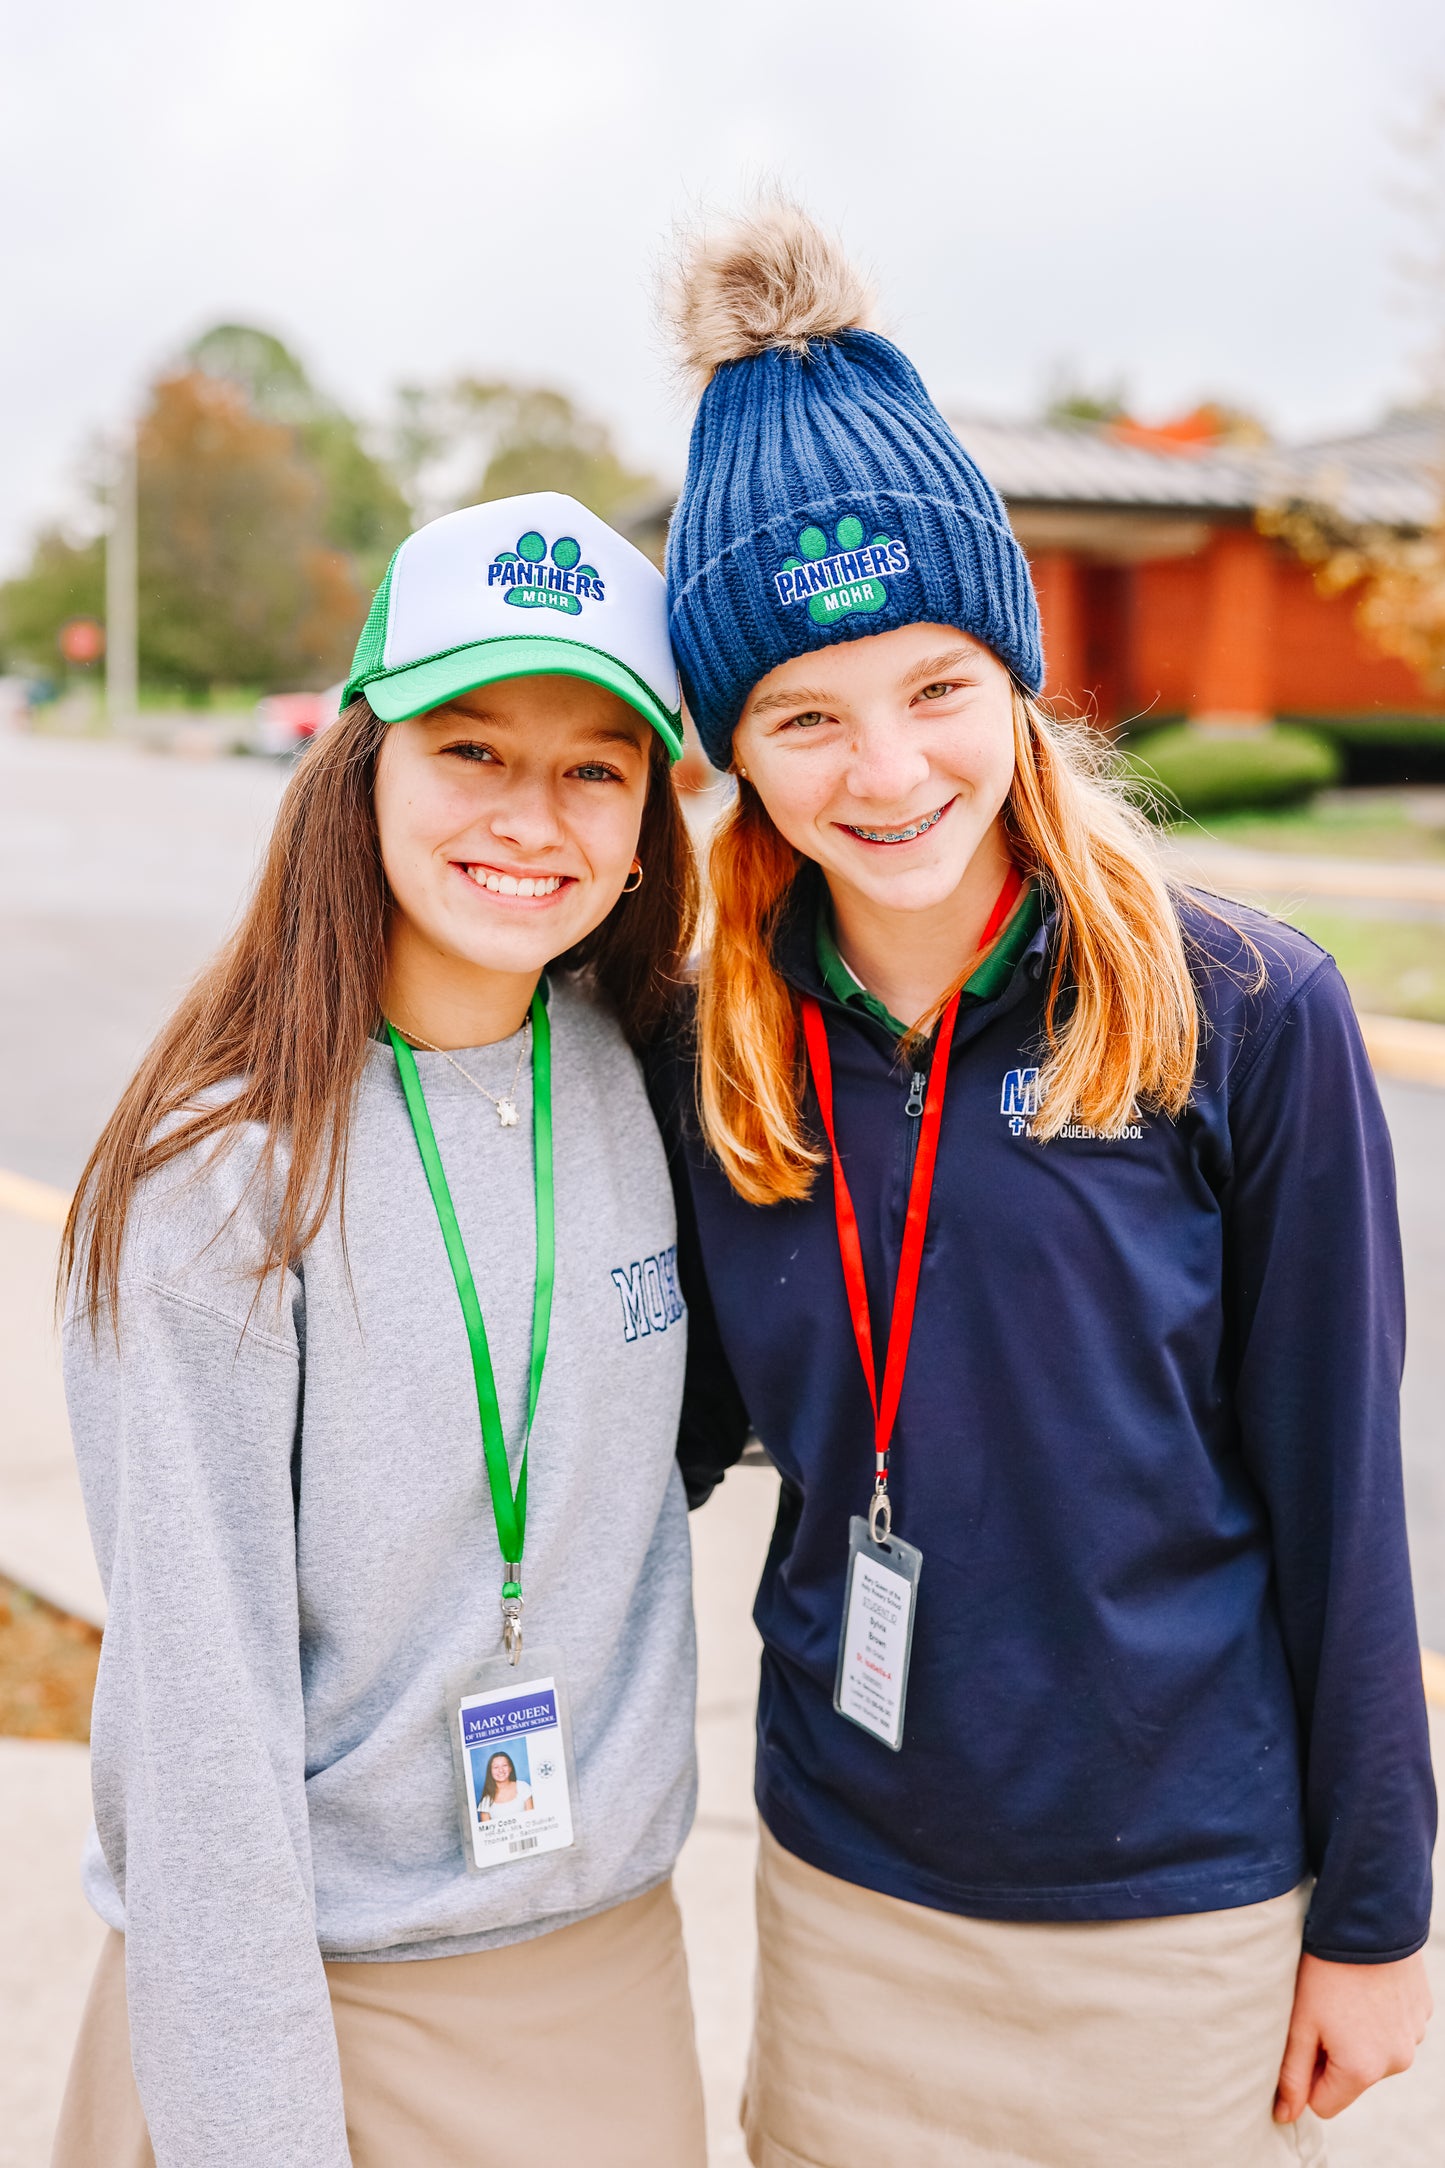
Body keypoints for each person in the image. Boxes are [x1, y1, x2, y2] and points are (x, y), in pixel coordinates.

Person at [654, 204, 1436, 2167]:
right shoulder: (711, 1050)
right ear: (736, 752)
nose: (888, 767)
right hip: (844, 1890)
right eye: (803, 714)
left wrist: (1374, 1911)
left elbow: (1341, 1494)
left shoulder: (1246, 1013)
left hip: (1174, 1909)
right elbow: (639, 1436)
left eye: (933, 686)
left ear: (1012, 674)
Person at [53, 492, 708, 2168]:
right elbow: (200, 1743)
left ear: (649, 823)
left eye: (593, 765)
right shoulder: (223, 1184)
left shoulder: (654, 1082)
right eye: (471, 747)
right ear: (364, 768)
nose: (530, 815)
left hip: (606, 1985)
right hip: (297, 1999)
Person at [478, 1753, 534, 1822]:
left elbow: (532, 1819)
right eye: (496, 1767)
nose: (501, 1770)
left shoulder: (523, 1787)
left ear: (510, 1768)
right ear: (490, 1772)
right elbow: (486, 1831)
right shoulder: (485, 1801)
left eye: (504, 1765)